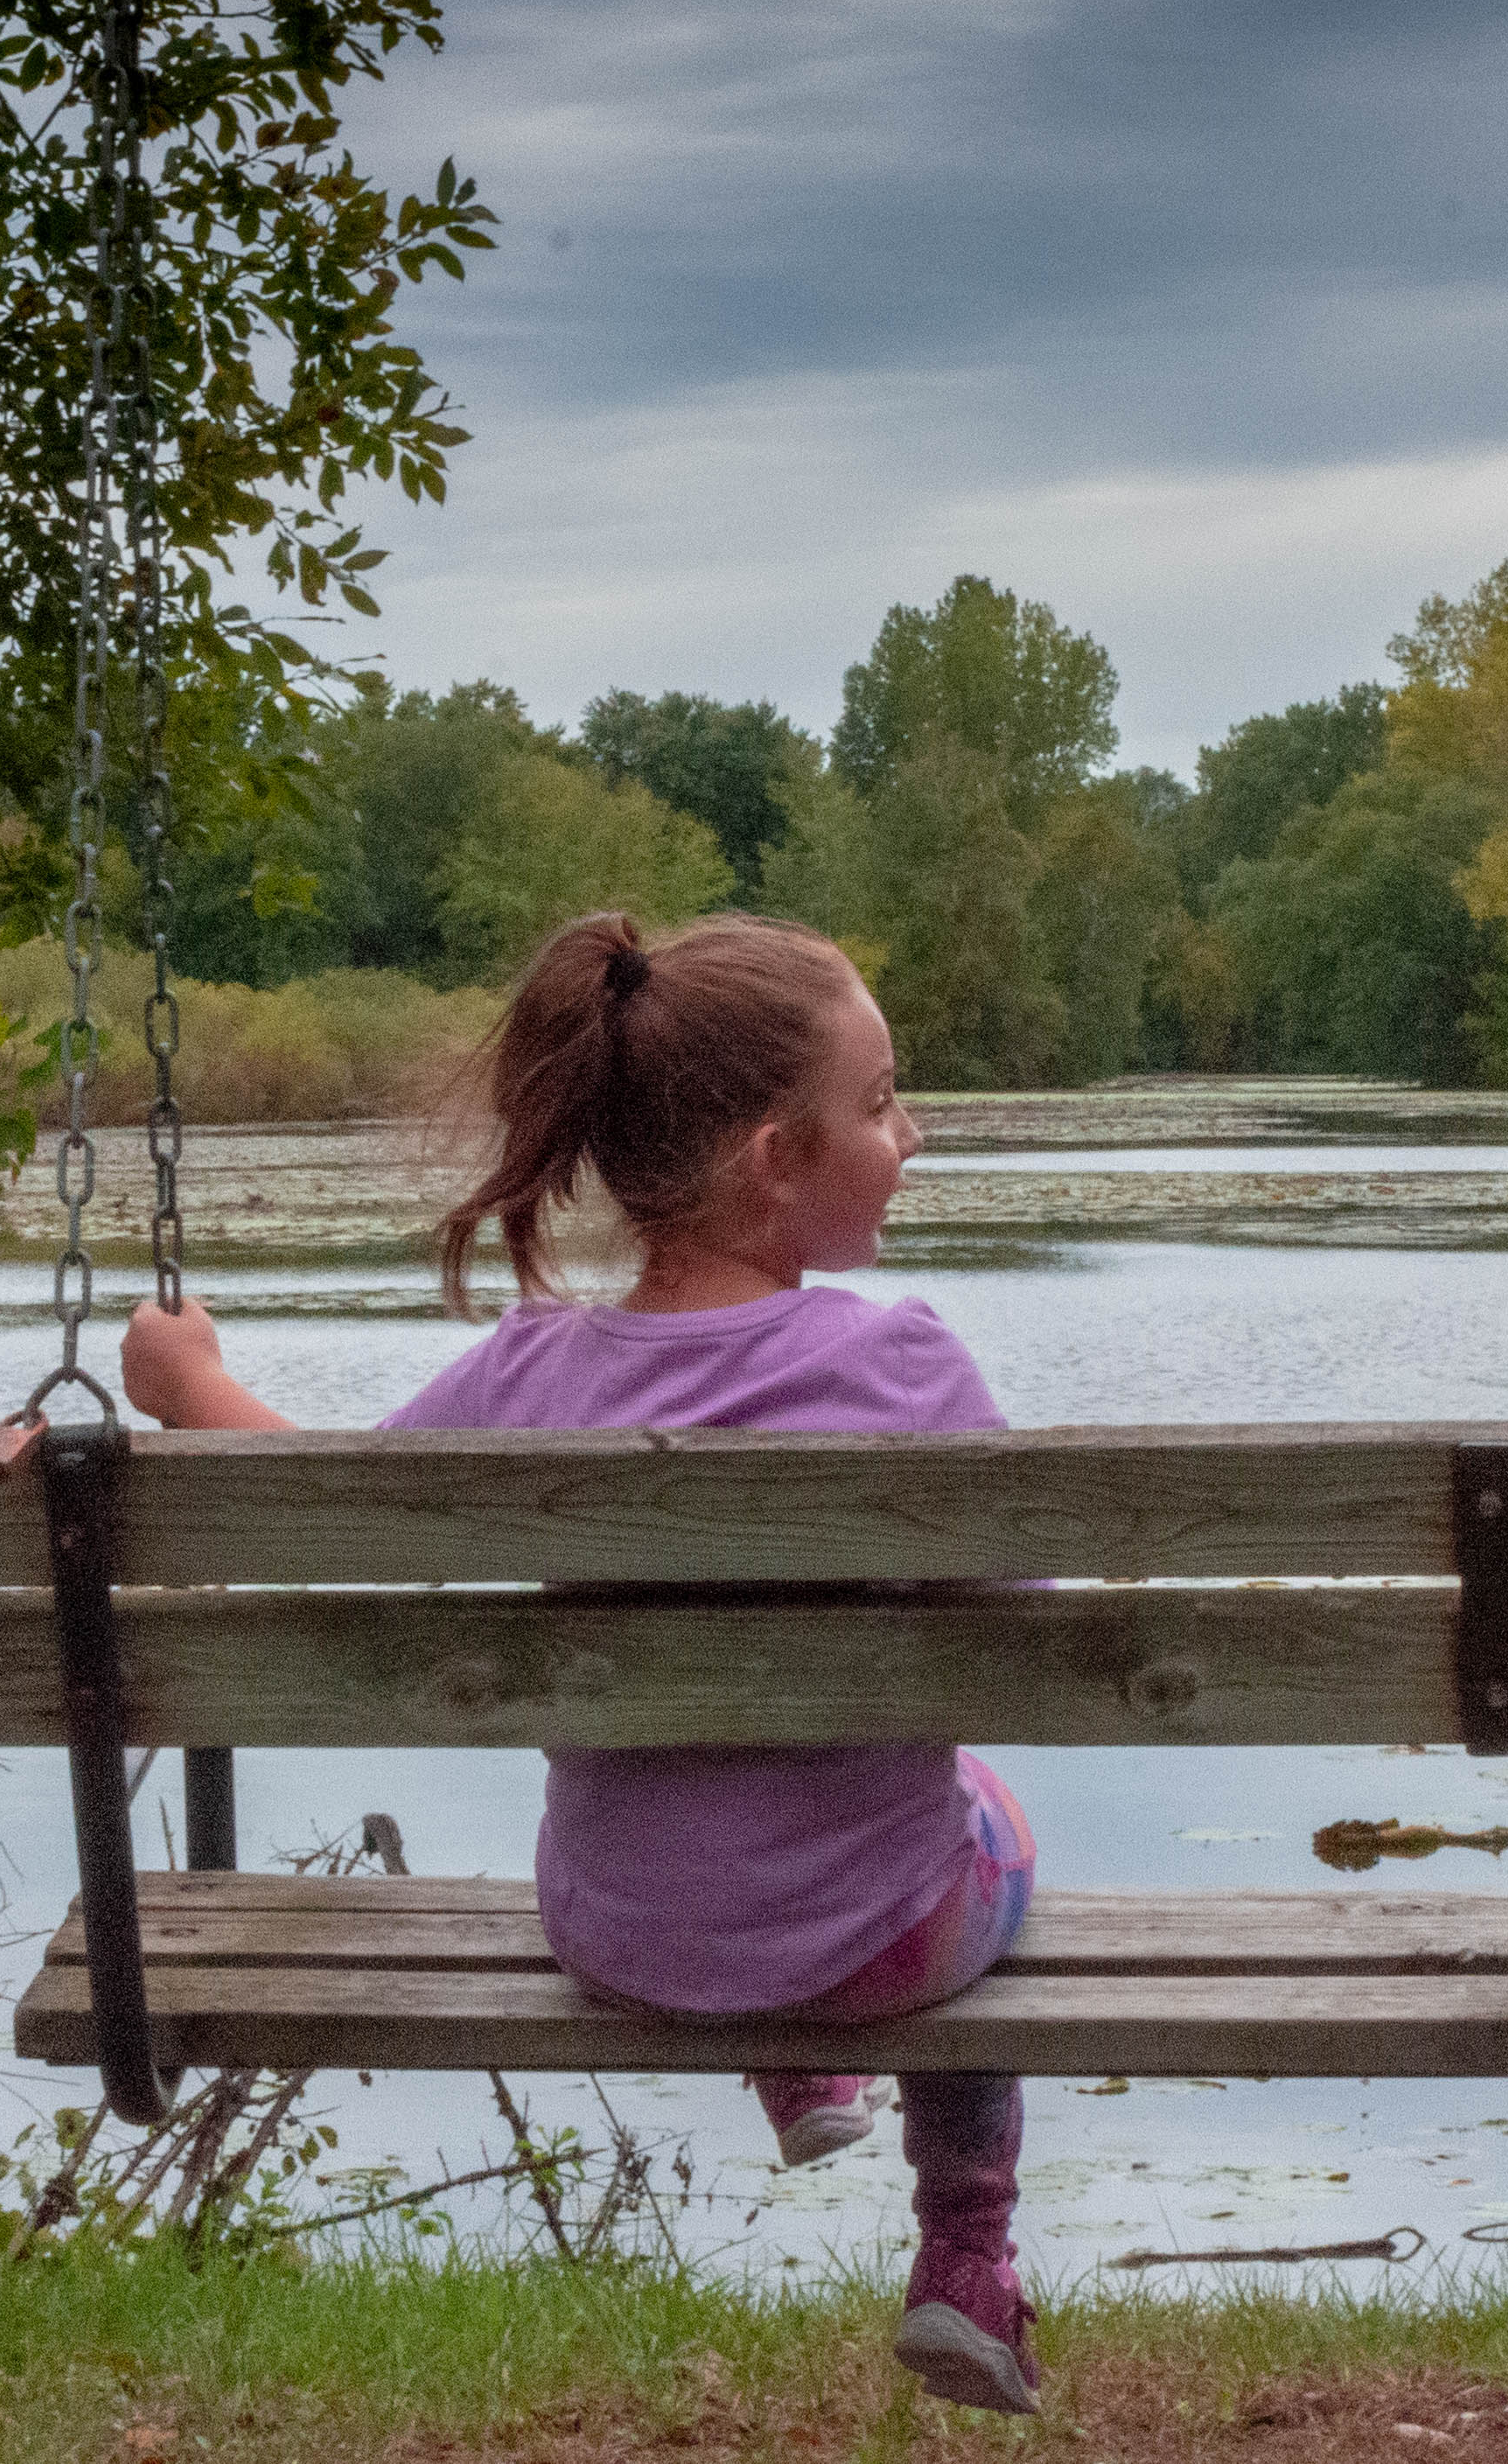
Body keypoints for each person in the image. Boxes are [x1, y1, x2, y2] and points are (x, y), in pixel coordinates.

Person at [119, 909, 1049, 2414]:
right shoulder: (906, 1365)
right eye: (882, 1105)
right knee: (983, 1821)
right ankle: (967, 2255)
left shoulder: (530, 1368)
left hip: (621, 1937)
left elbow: (343, 1525)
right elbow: (1034, 1615)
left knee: (768, 1821)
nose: (912, 1136)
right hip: (879, 1948)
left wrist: (192, 1383)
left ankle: (800, 2076)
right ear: (775, 1160)